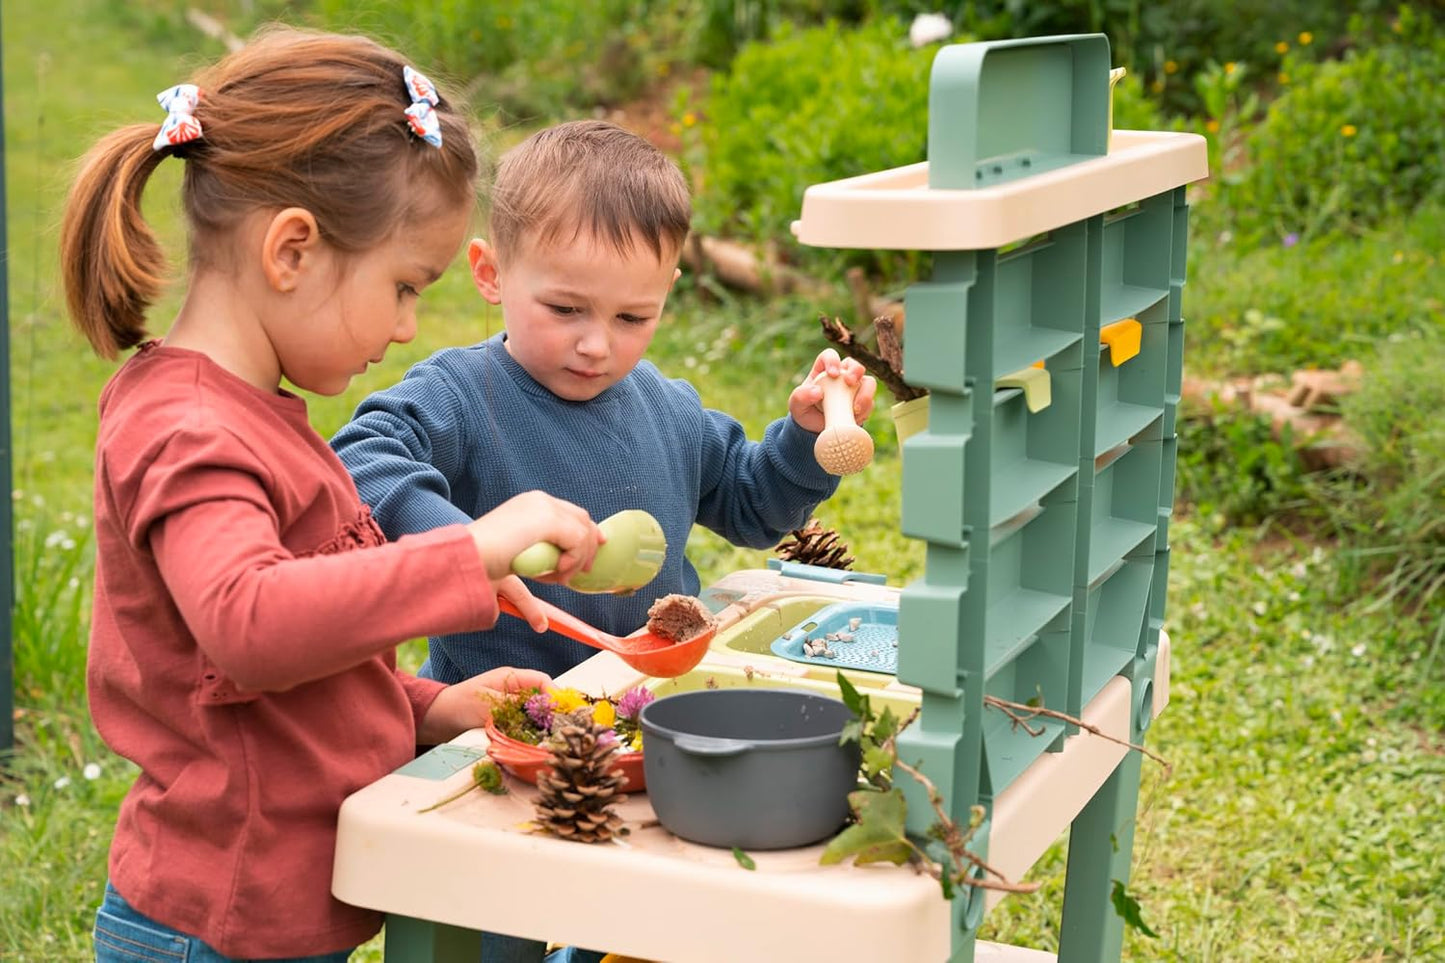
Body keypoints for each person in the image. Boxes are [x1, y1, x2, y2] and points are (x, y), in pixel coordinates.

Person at [59, 27, 603, 962]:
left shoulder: (253, 414)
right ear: (292, 250)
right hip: (212, 928)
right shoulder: (190, 431)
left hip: (273, 916)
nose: (404, 328)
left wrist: (428, 706)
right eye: (402, 287)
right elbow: (250, 625)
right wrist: (466, 552)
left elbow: (273, 683)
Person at [331, 118, 877, 687]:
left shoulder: (670, 411)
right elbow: (359, 463)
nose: (596, 346)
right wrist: (470, 548)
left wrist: (807, 438)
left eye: (632, 318)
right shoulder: (461, 394)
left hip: (647, 695)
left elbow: (754, 505)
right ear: (491, 274)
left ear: (667, 290)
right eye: (565, 309)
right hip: (502, 713)